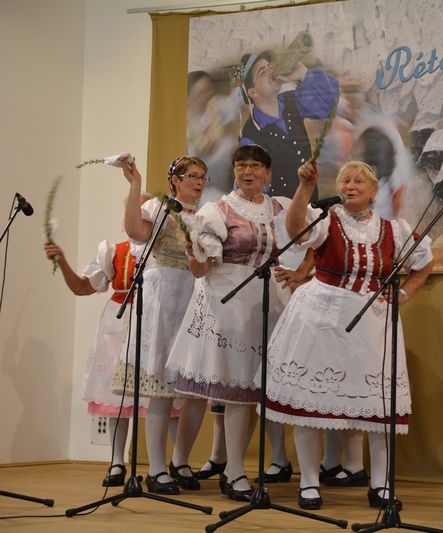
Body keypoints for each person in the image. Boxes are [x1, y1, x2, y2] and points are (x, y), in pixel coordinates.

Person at [264, 160, 433, 510]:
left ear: (373, 191)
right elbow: (296, 228)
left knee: (377, 405)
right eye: (345, 180)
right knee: (310, 402)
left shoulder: (394, 229)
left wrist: (405, 293)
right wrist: (305, 187)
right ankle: (309, 483)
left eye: (359, 181)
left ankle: (381, 485)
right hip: (321, 316)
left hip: (373, 321)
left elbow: (425, 261)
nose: (351, 186)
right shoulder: (327, 220)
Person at [165, 144, 297, 501]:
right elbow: (203, 263)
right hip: (227, 299)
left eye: (254, 166)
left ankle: (232, 468)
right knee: (232, 387)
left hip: (266, 300)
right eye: (241, 166)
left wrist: (301, 272)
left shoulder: (279, 207)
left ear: (267, 172)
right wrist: (198, 257)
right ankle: (230, 471)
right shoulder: (217, 209)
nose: (247, 171)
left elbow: (308, 234)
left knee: (251, 391)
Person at [110, 156, 207, 494]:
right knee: (162, 389)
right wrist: (135, 184)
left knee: (195, 392)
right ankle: (155, 469)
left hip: (195, 296)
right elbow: (135, 231)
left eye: (203, 176)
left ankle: (179, 460)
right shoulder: (162, 207)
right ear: (175, 180)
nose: (198, 181)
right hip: (164, 295)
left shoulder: (206, 216)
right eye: (191, 176)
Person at [44, 232, 147, 487]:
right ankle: (116, 461)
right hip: (118, 322)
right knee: (115, 395)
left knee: (163, 396)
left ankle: (169, 465)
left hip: (153, 320)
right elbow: (82, 287)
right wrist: (62, 260)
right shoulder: (114, 251)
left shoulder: (166, 249)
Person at [236, 49, 340, 201]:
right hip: (280, 213)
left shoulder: (291, 100)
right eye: (262, 72)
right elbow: (252, 190)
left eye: (269, 66)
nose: (271, 71)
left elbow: (330, 105)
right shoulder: (251, 137)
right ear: (252, 92)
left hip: (311, 204)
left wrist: (303, 74)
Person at [187, 70, 243, 205]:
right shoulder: (183, 120)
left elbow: (234, 103)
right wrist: (202, 151)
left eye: (208, 90)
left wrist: (240, 85)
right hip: (199, 176)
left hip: (223, 171)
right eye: (200, 93)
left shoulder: (215, 104)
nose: (206, 95)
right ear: (189, 96)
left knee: (229, 145)